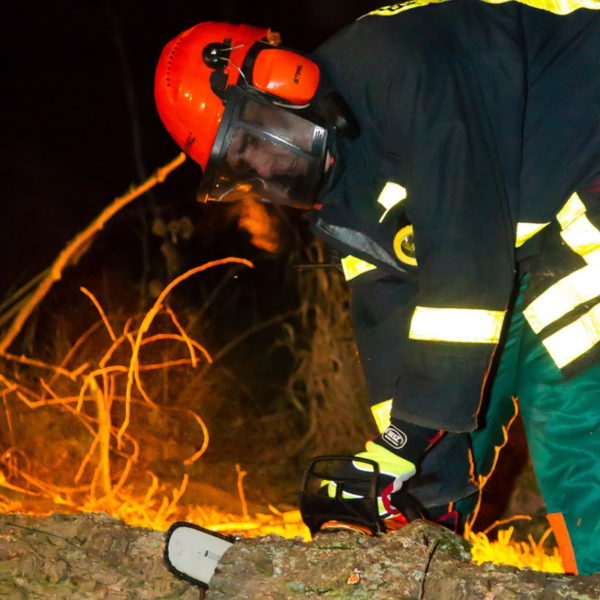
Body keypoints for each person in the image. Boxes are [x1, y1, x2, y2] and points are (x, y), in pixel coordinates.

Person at [154, 1, 600, 575]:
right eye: (248, 167)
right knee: (457, 398)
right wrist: (406, 478)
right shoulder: (340, 187)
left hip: (584, 160)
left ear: (281, 81)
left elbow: (465, 264)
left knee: (572, 401)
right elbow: (390, 314)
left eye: (258, 143)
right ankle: (427, 545)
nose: (269, 171)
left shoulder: (402, 66)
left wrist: (401, 445)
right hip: (528, 220)